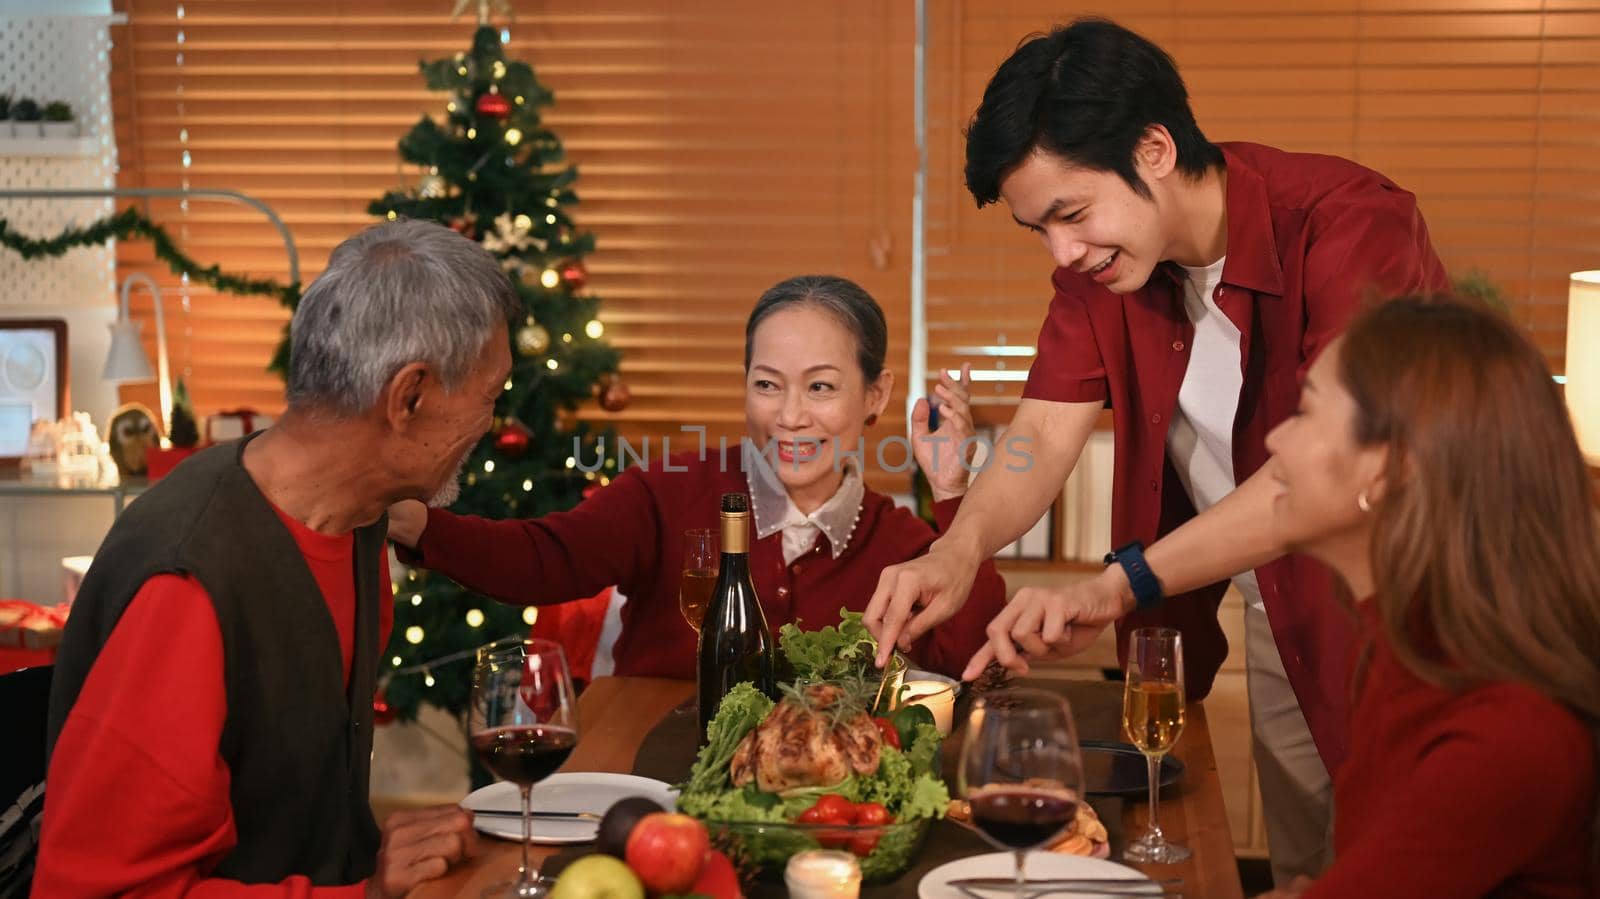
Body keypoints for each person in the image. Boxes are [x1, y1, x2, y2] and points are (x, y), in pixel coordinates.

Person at [863, 17, 1450, 883]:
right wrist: (959, 546)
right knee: (1304, 874)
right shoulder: (1105, 271)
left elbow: (1314, 475)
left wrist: (1122, 582)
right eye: (1041, 230)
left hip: (1409, 624)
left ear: (1155, 148)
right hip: (1279, 616)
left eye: (1072, 213)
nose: (1064, 252)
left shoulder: (1350, 227)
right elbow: (1037, 437)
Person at [37, 219, 513, 896]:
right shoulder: (188, 584)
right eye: (490, 395)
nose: (491, 423)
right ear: (409, 396)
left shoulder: (358, 518)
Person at [386, 274, 1008, 679]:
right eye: (767, 385)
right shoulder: (667, 492)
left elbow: (971, 661)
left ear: (875, 396)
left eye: (821, 387)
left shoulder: (904, 544)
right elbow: (547, 558)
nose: (790, 417)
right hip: (654, 787)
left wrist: (952, 494)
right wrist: (418, 524)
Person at [1254, 296, 1599, 898]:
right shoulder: (1406, 650)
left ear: (1389, 468)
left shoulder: (1501, 735)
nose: (1275, 439)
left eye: (1305, 412)